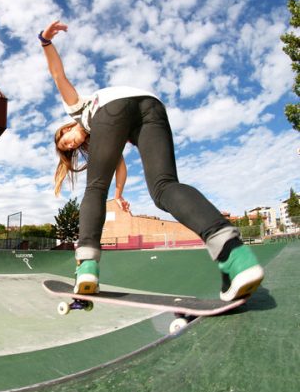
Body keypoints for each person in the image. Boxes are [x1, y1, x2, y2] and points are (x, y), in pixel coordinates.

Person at [39, 20, 264, 301]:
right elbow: (119, 166)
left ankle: (86, 267)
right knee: (164, 187)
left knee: (95, 189)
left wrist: (45, 42)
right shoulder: (101, 138)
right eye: (69, 148)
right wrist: (119, 195)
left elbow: (58, 75)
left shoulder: (78, 108)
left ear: (68, 127)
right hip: (151, 105)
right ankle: (234, 256)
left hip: (113, 109)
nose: (70, 143)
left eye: (66, 139)